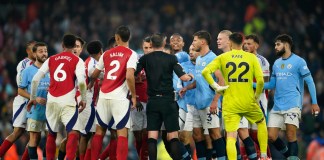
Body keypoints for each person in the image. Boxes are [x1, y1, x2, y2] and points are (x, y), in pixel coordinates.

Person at [202, 32, 268, 160]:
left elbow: (205, 72)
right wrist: (257, 96)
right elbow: (260, 81)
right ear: (242, 43)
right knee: (261, 123)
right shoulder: (251, 58)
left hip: (230, 103)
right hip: (248, 101)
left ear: (230, 43)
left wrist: (216, 87)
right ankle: (264, 155)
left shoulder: (223, 57)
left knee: (231, 137)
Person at [27, 34, 87, 160]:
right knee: (73, 133)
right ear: (74, 46)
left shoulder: (52, 59)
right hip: (68, 101)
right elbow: (81, 82)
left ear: (62, 45)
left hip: (52, 100)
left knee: (51, 134)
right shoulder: (78, 60)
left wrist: (32, 98)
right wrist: (84, 99)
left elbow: (35, 80)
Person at [135, 33, 194, 160]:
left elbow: (134, 73)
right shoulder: (171, 59)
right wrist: (190, 76)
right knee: (173, 137)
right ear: (164, 43)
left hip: (153, 101)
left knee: (152, 137)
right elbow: (183, 77)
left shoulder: (145, 59)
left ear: (151, 44)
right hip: (168, 101)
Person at [263, 34, 320, 159]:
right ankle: (290, 156)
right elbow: (272, 84)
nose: (275, 47)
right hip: (277, 105)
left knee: (290, 134)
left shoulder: (299, 61)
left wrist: (314, 102)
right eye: (275, 45)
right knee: (271, 136)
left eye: (278, 44)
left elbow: (309, 81)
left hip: (293, 104)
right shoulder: (277, 63)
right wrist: (254, 85)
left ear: (286, 45)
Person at [89, 25, 137, 160]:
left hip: (103, 97)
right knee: (122, 133)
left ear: (116, 38)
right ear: (129, 37)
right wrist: (133, 96)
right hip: (120, 98)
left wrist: (92, 82)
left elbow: (95, 73)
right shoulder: (131, 54)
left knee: (99, 132)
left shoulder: (106, 54)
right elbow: (129, 76)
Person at [180, 30, 228, 160]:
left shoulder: (213, 58)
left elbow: (221, 81)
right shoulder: (200, 58)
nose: (192, 43)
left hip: (209, 103)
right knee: (197, 136)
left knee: (215, 134)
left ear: (202, 42)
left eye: (194, 40)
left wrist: (215, 101)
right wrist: (187, 88)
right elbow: (199, 79)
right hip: (198, 103)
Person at [0, 41, 36, 159]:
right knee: (17, 132)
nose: (35, 51)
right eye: (32, 49)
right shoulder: (24, 64)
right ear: (27, 51)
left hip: (35, 102)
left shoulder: (41, 65)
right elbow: (21, 84)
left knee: (35, 136)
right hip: (24, 101)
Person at [241, 34, 271, 159]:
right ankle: (246, 157)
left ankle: (266, 156)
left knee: (255, 133)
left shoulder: (262, 61)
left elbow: (265, 84)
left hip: (257, 100)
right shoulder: (241, 59)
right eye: (245, 43)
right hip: (242, 99)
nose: (246, 46)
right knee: (242, 132)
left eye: (249, 44)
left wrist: (249, 84)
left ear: (257, 45)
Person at [18, 42, 49, 160]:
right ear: (35, 53)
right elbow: (20, 90)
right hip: (35, 110)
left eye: (45, 51)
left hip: (49, 110)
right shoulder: (28, 71)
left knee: (50, 137)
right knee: (34, 139)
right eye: (41, 51)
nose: (44, 54)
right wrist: (34, 98)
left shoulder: (51, 69)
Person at [57, 35, 86, 160]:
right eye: (74, 46)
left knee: (77, 137)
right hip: (69, 103)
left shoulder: (83, 63)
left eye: (78, 46)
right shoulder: (64, 62)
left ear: (81, 49)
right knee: (74, 136)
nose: (75, 48)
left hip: (82, 104)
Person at [131, 36, 152, 160]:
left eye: (150, 47)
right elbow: (128, 80)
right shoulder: (136, 61)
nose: (148, 50)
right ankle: (141, 156)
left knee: (146, 134)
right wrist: (135, 98)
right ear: (142, 48)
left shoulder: (156, 61)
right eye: (146, 47)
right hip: (136, 102)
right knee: (137, 135)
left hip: (151, 101)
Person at [98, 36, 119, 160]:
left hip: (103, 100)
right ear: (111, 47)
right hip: (113, 100)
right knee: (115, 133)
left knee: (110, 134)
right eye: (116, 46)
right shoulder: (108, 58)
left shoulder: (103, 59)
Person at [179, 44, 199, 158]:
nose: (191, 52)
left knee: (202, 137)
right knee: (184, 137)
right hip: (188, 105)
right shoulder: (183, 66)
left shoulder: (204, 65)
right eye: (189, 50)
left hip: (202, 105)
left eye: (193, 49)